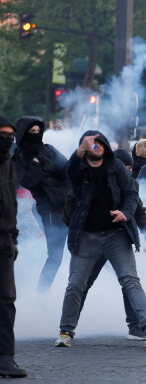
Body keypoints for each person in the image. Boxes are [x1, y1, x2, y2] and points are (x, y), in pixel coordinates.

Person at [55, 130, 146, 350]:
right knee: (76, 284)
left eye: (99, 142)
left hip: (116, 236)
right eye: (90, 144)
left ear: (105, 146)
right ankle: (65, 332)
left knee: (130, 281)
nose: (96, 146)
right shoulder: (79, 169)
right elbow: (69, 170)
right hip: (86, 237)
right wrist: (81, 149)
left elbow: (133, 196)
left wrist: (126, 213)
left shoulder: (117, 168)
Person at [12, 116, 70, 292]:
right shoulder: (18, 157)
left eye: (38, 131)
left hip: (69, 203)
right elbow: (29, 182)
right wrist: (37, 167)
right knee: (55, 256)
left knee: (87, 248)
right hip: (51, 210)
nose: (36, 135)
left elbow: (67, 170)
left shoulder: (49, 150)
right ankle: (41, 293)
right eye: (31, 132)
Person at [0, 116, 28, 378]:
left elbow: (12, 206)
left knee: (7, 301)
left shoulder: (9, 165)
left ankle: (5, 357)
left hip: (4, 244)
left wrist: (14, 238)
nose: (7, 140)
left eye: (11, 135)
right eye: (3, 134)